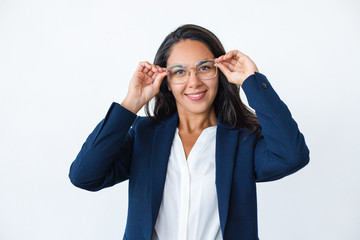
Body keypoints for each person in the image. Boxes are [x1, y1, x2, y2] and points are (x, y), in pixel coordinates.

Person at [68, 24, 310, 240]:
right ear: (166, 79)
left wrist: (252, 81)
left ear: (220, 72)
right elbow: (84, 176)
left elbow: (292, 156)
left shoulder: (242, 141)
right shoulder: (145, 136)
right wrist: (131, 103)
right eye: (180, 72)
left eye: (204, 68)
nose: (194, 82)